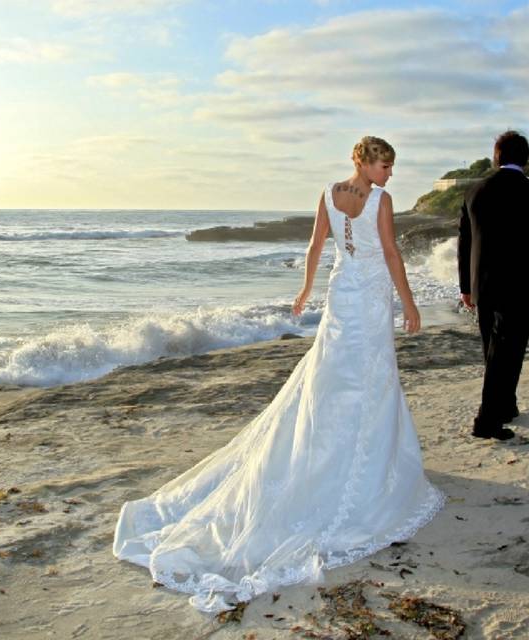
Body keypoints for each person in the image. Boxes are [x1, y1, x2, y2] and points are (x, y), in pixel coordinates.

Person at [112, 136, 446, 614]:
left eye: (391, 167)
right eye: (384, 165)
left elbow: (316, 246)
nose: (389, 174)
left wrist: (306, 290)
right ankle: (357, 459)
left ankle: (338, 446)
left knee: (334, 376)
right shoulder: (380, 201)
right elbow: (392, 254)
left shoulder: (330, 194)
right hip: (368, 299)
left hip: (341, 295)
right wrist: (409, 304)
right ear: (362, 162)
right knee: (363, 376)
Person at [457, 130, 529, 441]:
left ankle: (506, 405)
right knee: (508, 351)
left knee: (494, 350)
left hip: (483, 285)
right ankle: (486, 421)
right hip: (517, 286)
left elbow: (464, 244)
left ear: (497, 156)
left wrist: (465, 286)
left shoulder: (474, 191)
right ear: (525, 159)